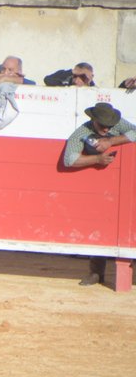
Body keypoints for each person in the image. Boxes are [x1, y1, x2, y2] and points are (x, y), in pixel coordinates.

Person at [61, 102, 136, 286]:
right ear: (92, 120)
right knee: (99, 225)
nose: (106, 128)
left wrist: (111, 141)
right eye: (102, 124)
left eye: (109, 125)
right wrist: (97, 159)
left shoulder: (116, 125)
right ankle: (96, 273)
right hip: (100, 188)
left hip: (128, 183)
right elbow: (69, 160)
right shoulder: (81, 132)